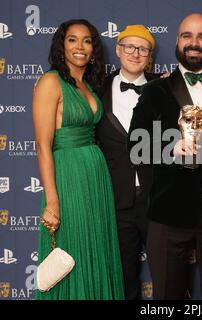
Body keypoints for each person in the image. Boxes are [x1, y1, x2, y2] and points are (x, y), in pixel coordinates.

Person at [96, 24, 202, 300]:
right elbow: (135, 144)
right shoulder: (149, 89)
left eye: (142, 49)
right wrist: (170, 148)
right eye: (186, 35)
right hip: (150, 203)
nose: (135, 54)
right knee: (152, 287)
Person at [33, 19, 124, 300]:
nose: (80, 46)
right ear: (62, 45)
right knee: (71, 250)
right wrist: (52, 201)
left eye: (86, 41)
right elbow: (42, 145)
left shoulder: (88, 84)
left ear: (93, 48)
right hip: (68, 176)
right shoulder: (51, 81)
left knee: (95, 249)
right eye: (72, 39)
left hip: (94, 177)